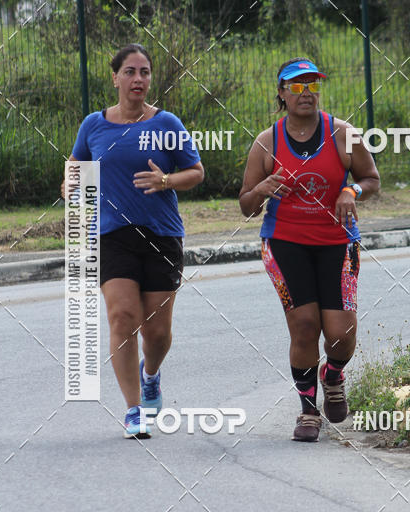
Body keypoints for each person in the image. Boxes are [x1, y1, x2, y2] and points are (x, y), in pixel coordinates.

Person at [61, 44, 204, 438]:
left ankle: (151, 373)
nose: (138, 79)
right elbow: (77, 164)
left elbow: (196, 172)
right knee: (123, 317)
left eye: (144, 72)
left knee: (155, 332)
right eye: (130, 71)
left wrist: (167, 181)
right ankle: (133, 409)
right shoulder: (94, 125)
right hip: (110, 236)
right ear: (115, 78)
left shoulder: (167, 124)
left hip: (161, 235)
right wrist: (70, 182)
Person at [239, 58, 380, 442]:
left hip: (338, 242)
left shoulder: (344, 134)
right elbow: (246, 205)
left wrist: (352, 190)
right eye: (296, 86)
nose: (306, 93)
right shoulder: (267, 143)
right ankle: (307, 411)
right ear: (282, 94)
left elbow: (372, 179)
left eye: (312, 85)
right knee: (304, 326)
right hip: (285, 243)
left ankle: (333, 375)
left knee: (340, 334)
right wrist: (263, 189)